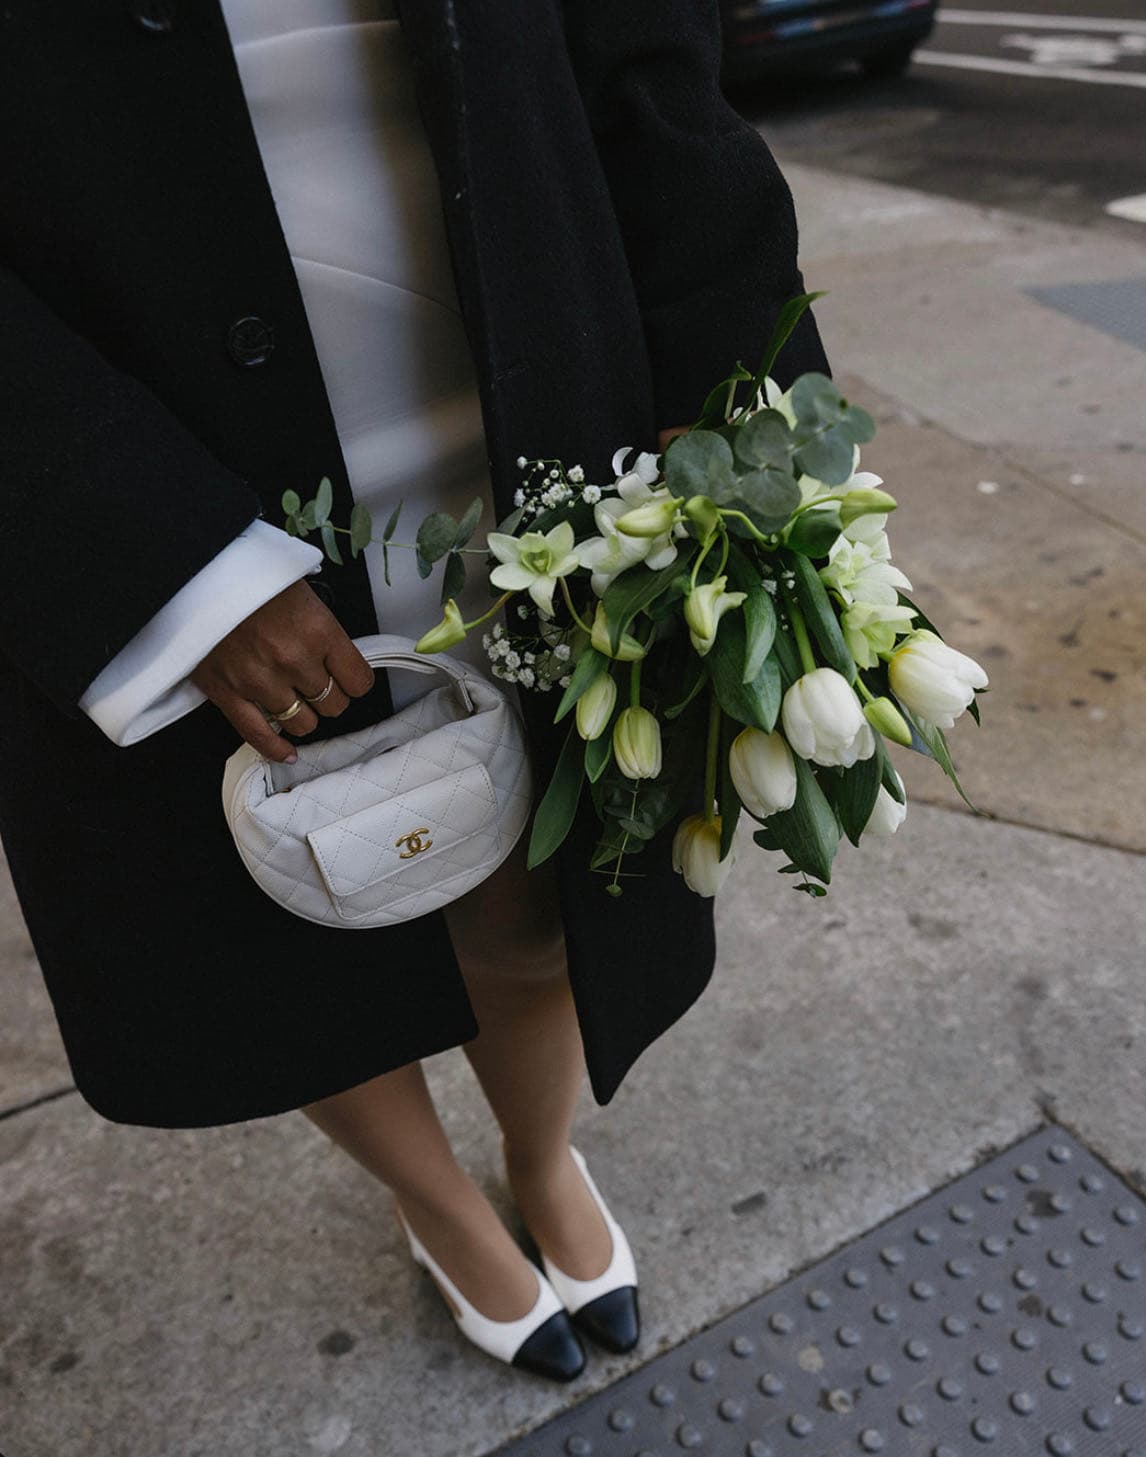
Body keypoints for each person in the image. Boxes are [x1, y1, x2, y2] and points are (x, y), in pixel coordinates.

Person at [0, 0, 828, 1383]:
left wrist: (727, 386)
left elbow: (653, 62)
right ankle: (443, 1207)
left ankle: (539, 1151)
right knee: (297, 904)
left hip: (541, 429)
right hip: (159, 436)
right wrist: (160, 557)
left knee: (546, 894)